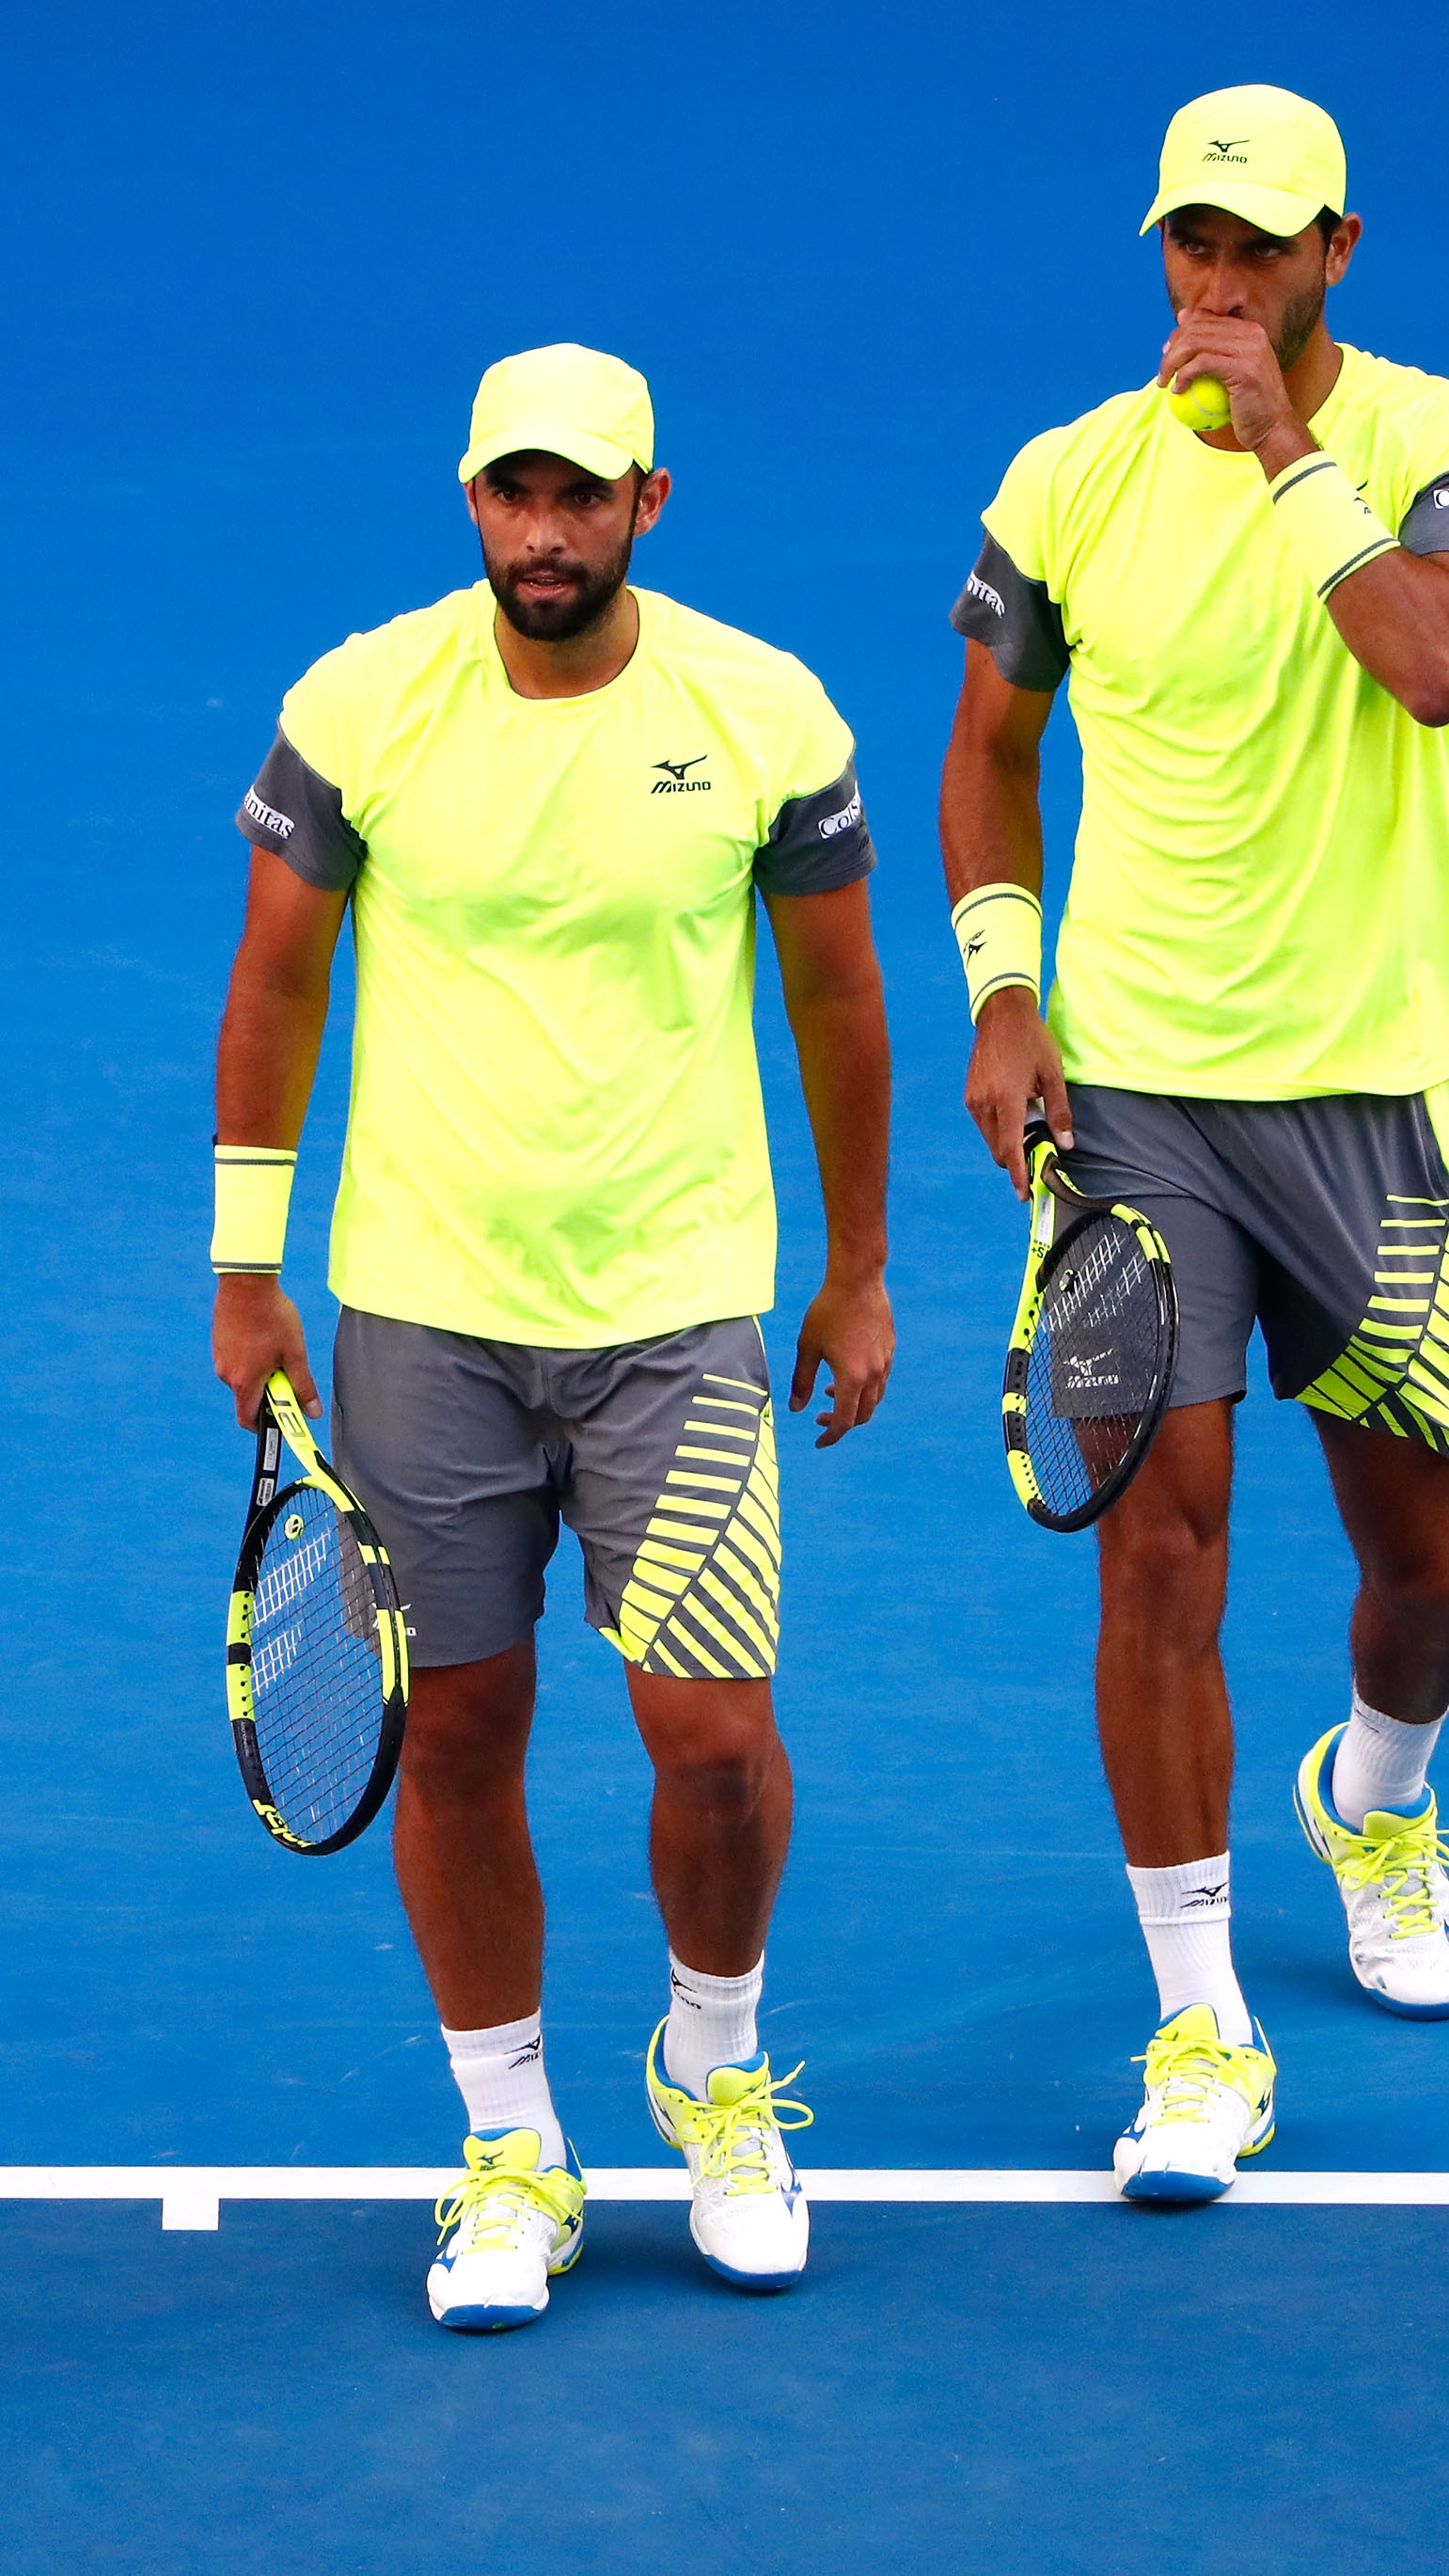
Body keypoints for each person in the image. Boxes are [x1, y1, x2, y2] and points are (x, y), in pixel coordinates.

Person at [213, 342, 893, 2327]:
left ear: (646, 505)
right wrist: (250, 1270)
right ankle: (508, 2137)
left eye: (582, 494)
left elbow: (842, 1009)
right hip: (422, 1313)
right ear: (472, 500)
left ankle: (713, 2053)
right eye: (514, 493)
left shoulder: (761, 713)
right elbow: (275, 983)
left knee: (715, 1744)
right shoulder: (361, 704)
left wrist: (856, 1266)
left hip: (677, 1313)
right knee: (462, 1734)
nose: (544, 529)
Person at [941, 86, 1449, 2200]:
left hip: (1367, 1091)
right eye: (1191, 245)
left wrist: (1288, 453)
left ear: (1335, 254)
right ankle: (1201, 2018)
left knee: (1433, 1569)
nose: (1216, 284)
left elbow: (1441, 664)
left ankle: (1375, 1792)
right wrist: (1008, 984)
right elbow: (991, 748)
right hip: (1141, 1108)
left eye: (1257, 250)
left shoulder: (1444, 433)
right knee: (1162, 1546)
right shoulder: (1065, 478)